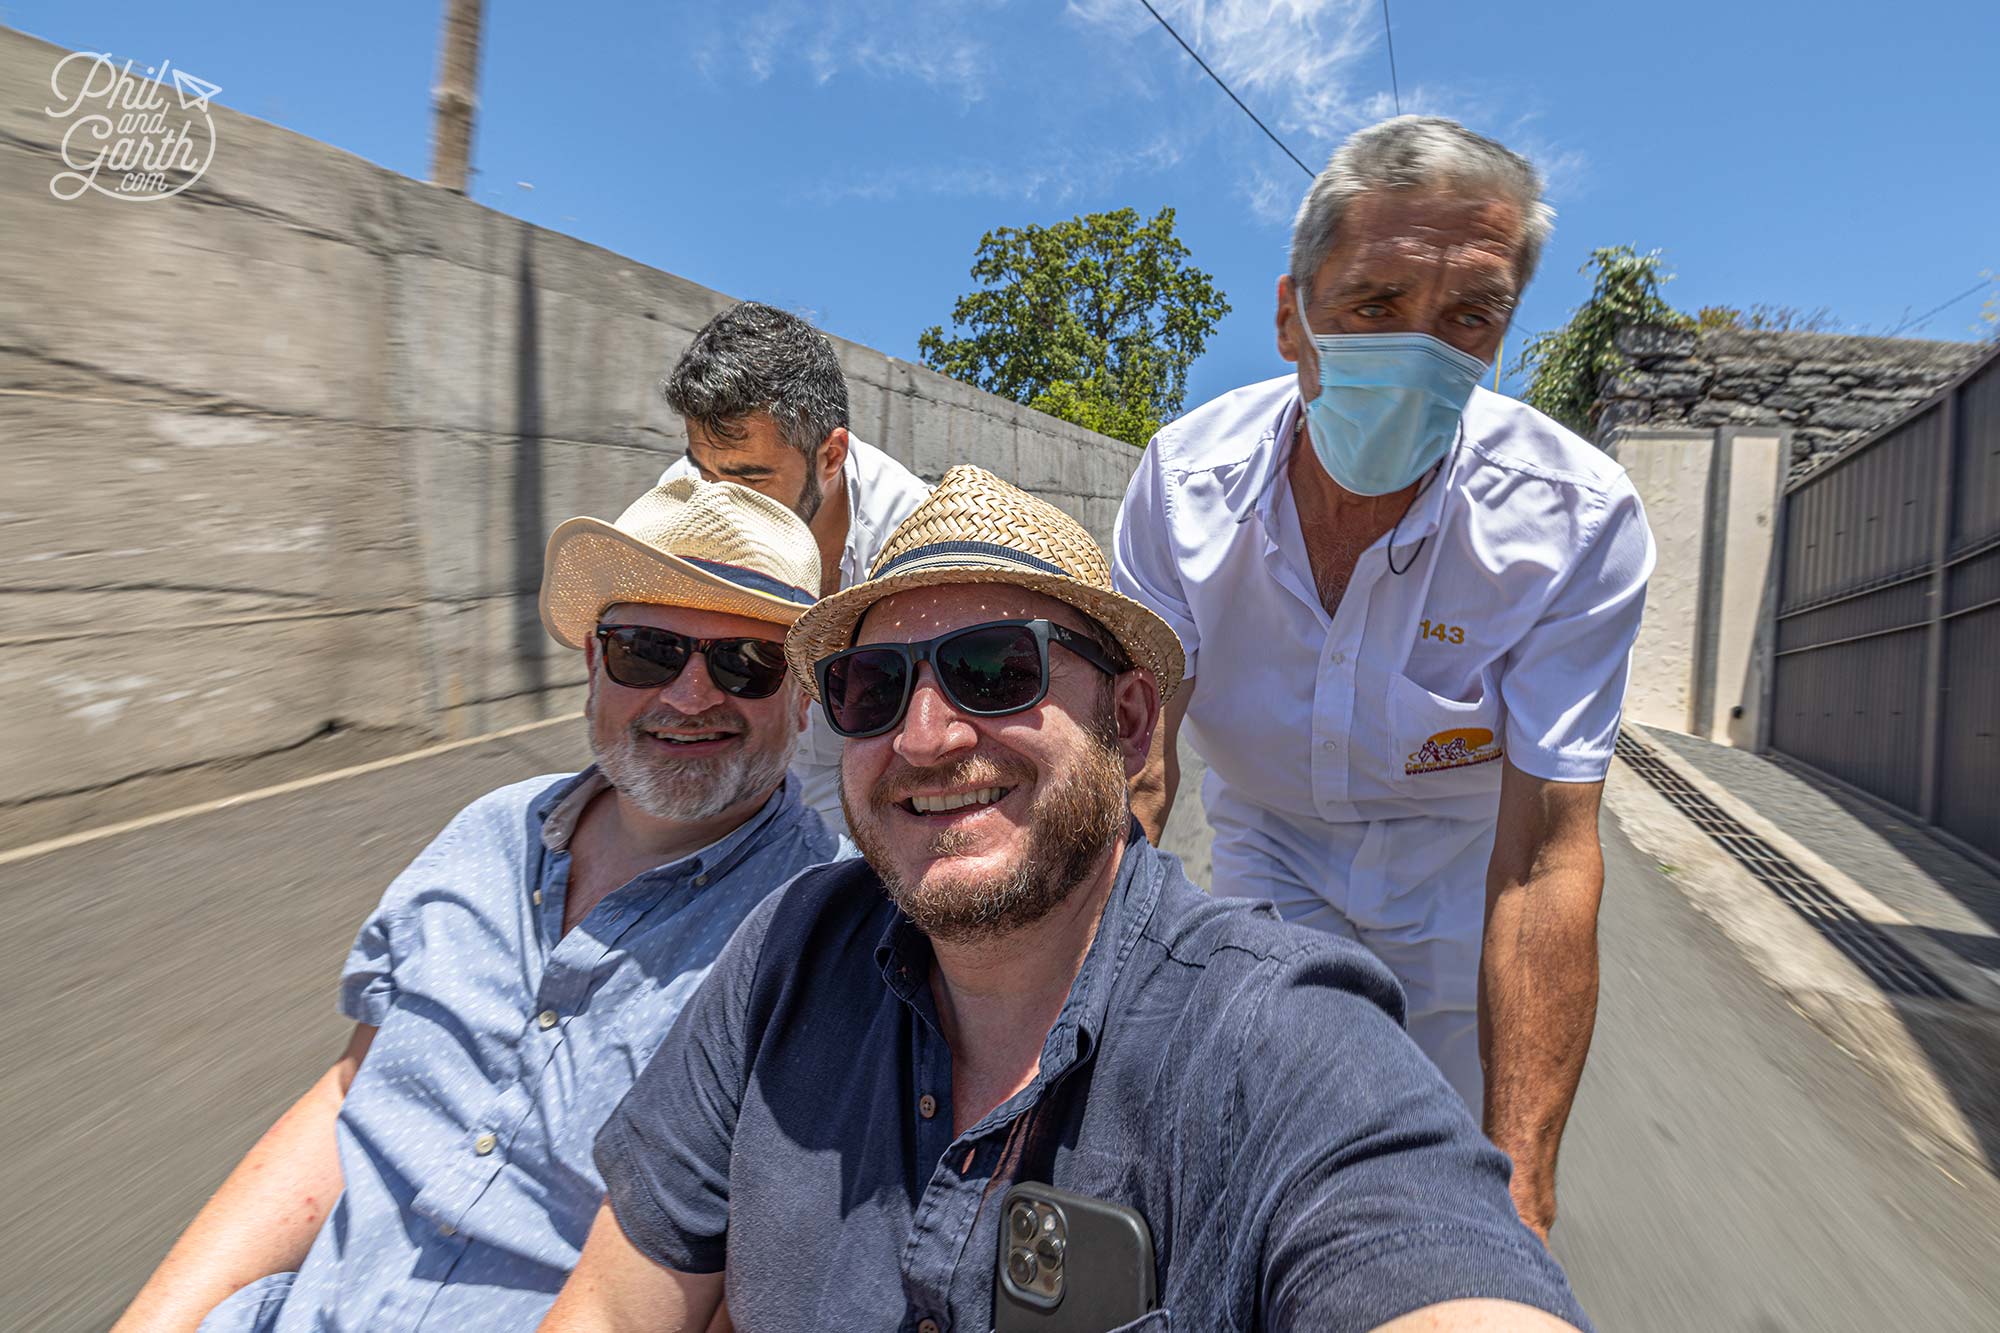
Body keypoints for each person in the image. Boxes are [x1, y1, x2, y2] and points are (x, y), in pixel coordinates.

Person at [539, 466, 1593, 1333]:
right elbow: (612, 1304)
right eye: (872, 687)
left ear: (1128, 718)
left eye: (993, 668)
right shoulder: (786, 953)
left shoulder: (1276, 1038)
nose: (924, 736)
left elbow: (1427, 1261)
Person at [116, 477, 844, 1333]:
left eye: (744, 664)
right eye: (647, 650)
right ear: (591, 663)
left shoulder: (820, 939)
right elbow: (353, 1092)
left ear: (802, 701)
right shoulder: (485, 833)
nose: (688, 696)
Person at [1110, 115, 1656, 1241]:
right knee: (1236, 1176)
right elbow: (1135, 772)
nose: (1418, 350)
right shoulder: (1180, 487)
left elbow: (1546, 854)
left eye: (1467, 317)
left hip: (1460, 901)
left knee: (1446, 1210)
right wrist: (1066, 1020)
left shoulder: (1574, 525)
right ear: (1291, 318)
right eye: (1372, 304)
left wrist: (1523, 1184)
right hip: (1265, 857)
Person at [658, 300, 931, 832]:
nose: (719, 505)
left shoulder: (911, 535)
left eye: (752, 480)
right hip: (731, 784)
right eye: (705, 471)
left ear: (831, 457)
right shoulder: (680, 498)